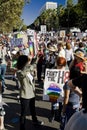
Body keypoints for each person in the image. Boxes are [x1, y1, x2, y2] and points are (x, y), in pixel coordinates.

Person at [16, 55, 44, 130]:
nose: (28, 62)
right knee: (23, 113)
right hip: (25, 95)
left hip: (32, 93)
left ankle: (35, 121)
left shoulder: (28, 68)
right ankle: (22, 127)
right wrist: (32, 64)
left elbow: (33, 66)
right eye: (27, 60)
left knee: (33, 109)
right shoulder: (19, 72)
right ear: (24, 62)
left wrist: (37, 59)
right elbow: (26, 71)